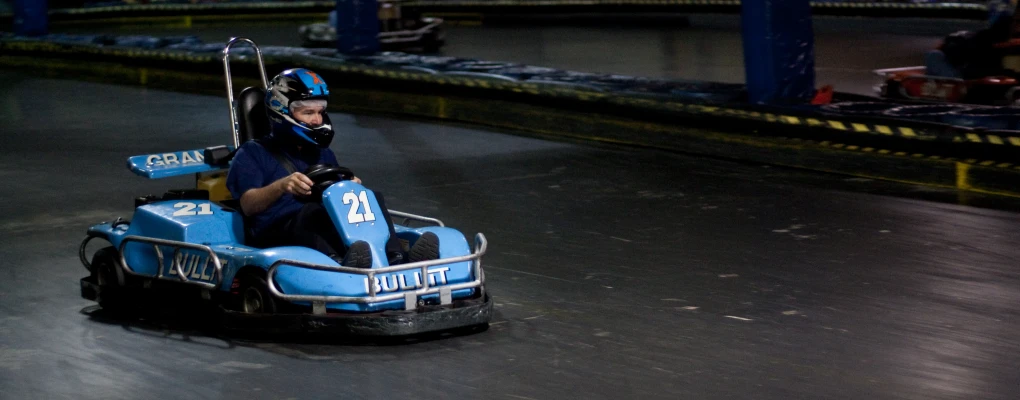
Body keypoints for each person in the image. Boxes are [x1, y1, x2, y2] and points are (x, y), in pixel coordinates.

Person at [227, 68, 422, 266]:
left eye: (320, 112)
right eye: (308, 112)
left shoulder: (321, 152)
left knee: (371, 197)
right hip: (275, 233)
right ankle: (337, 263)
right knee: (311, 213)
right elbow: (248, 206)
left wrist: (350, 187)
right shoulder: (252, 153)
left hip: (321, 226)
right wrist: (281, 186)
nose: (317, 120)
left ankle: (395, 257)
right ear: (282, 110)